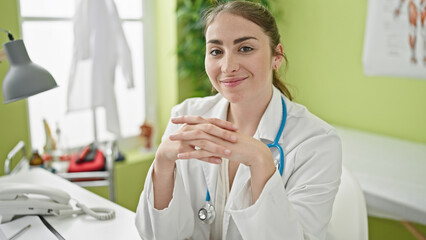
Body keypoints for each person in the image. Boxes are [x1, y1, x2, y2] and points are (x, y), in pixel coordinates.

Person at [135, 1, 342, 239]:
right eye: (216, 51)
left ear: (277, 56)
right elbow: (157, 235)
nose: (228, 66)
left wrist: (261, 161)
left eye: (245, 48)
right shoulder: (186, 117)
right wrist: (162, 162)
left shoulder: (317, 142)